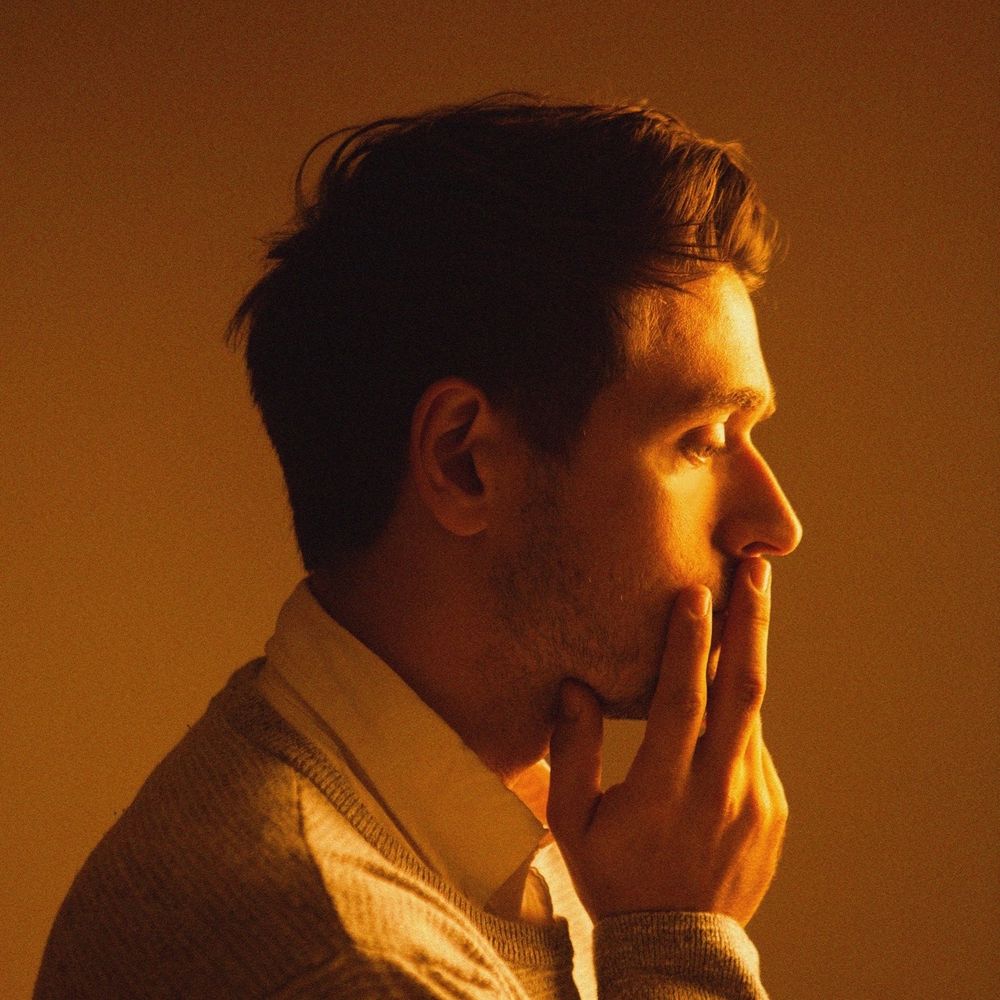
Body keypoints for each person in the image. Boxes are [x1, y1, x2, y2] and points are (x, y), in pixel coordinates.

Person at [35, 94, 802, 999]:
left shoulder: (508, 829)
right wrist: (681, 953)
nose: (776, 523)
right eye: (702, 438)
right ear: (464, 461)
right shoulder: (349, 961)